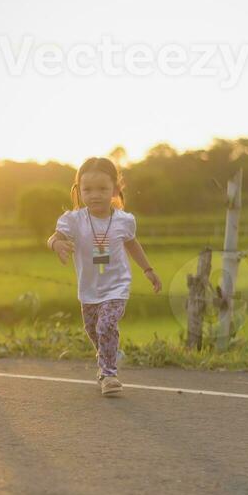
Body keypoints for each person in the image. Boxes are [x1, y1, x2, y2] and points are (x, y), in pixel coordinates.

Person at [46, 157, 162, 396]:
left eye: (102, 189)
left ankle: (108, 375)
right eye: (87, 189)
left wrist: (148, 270)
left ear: (115, 189)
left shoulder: (124, 221)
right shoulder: (74, 220)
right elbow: (53, 237)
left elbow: (133, 245)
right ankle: (108, 353)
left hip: (116, 286)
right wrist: (56, 244)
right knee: (93, 330)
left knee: (106, 324)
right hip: (89, 290)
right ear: (78, 190)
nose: (95, 195)